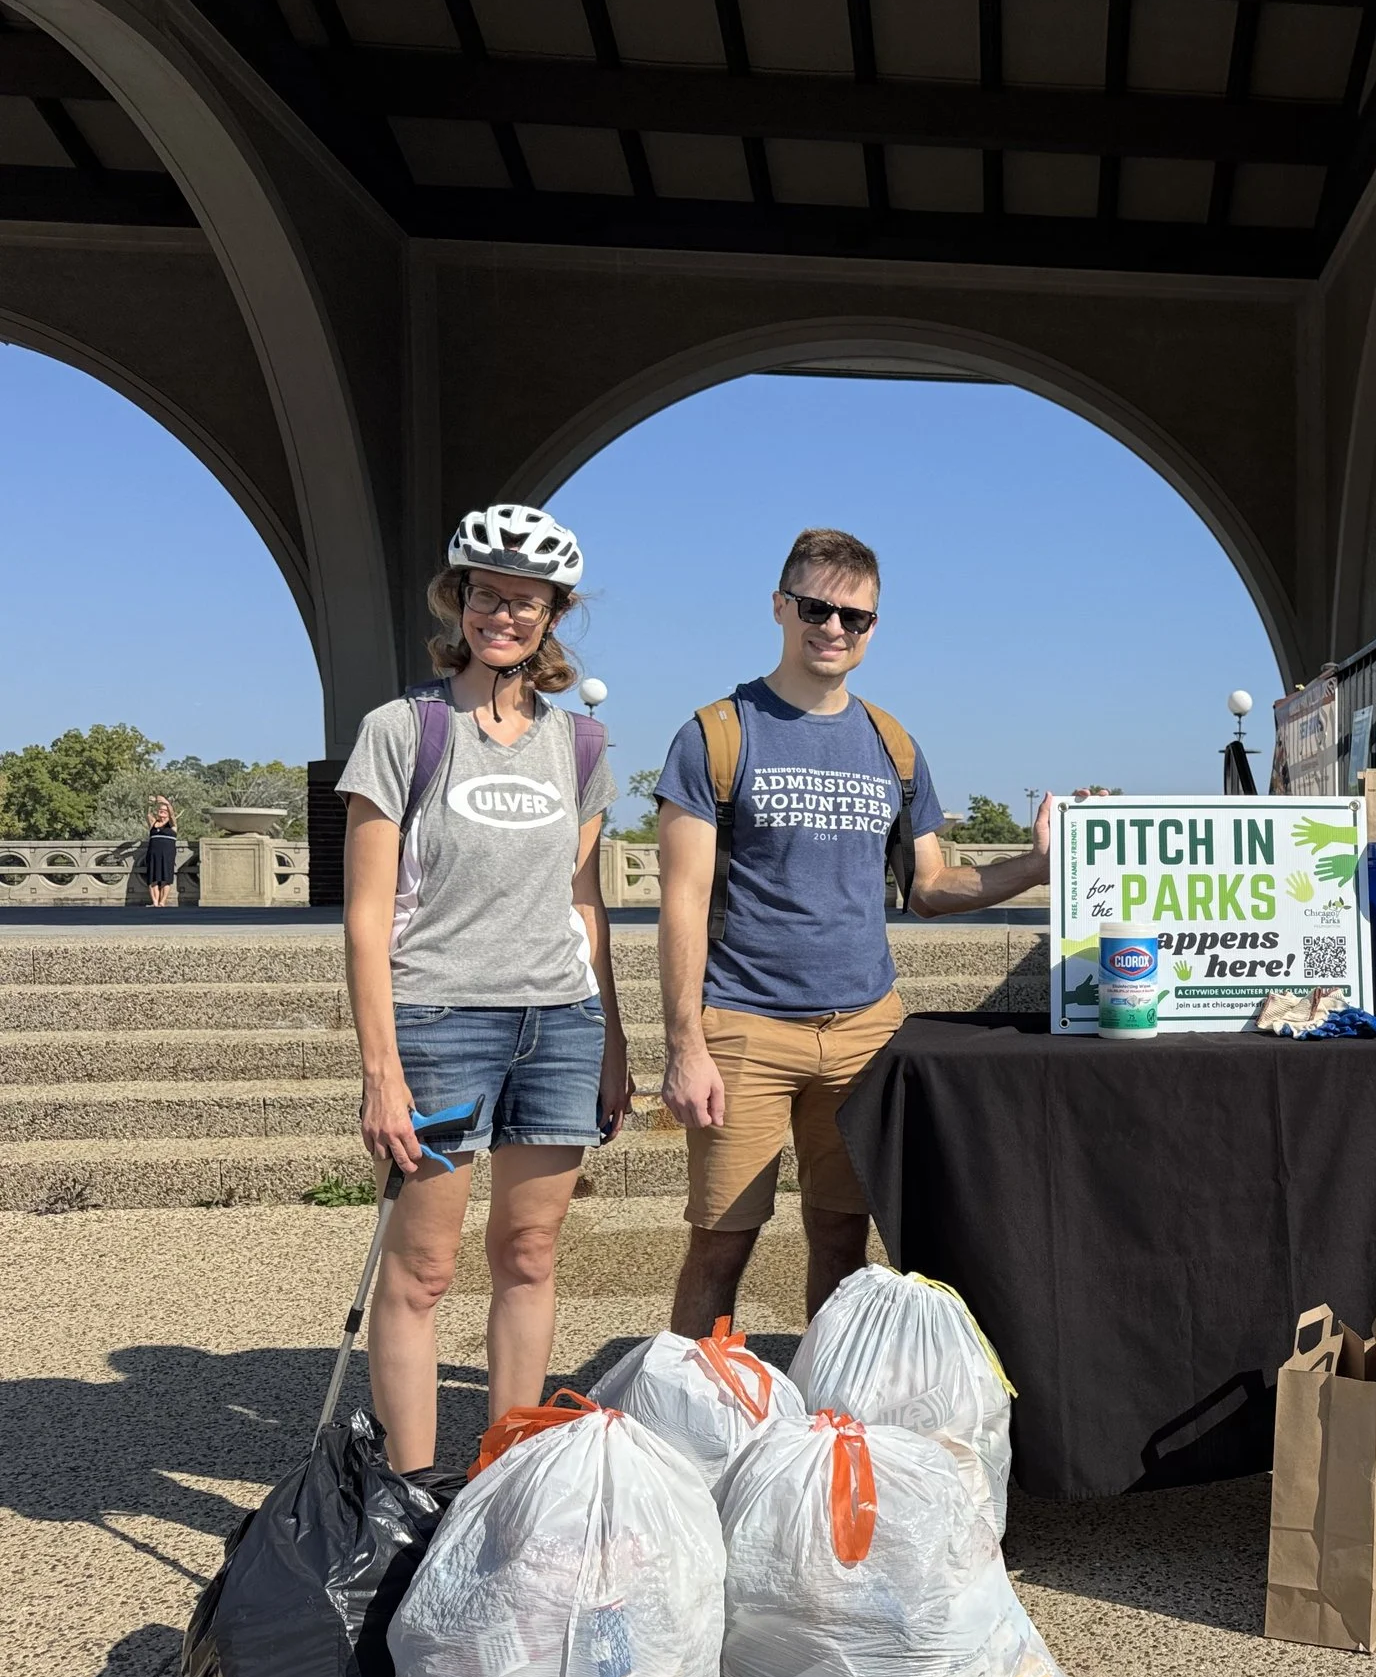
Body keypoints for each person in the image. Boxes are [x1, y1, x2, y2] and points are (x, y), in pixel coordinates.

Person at [655, 527, 1054, 1335]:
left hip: (866, 1028)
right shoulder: (718, 733)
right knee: (720, 1244)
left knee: (843, 1238)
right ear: (780, 606)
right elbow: (683, 902)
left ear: (874, 629)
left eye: (855, 617)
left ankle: (823, 1420)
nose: (833, 627)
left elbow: (933, 886)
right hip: (746, 1027)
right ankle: (684, 1427)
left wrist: (1039, 866)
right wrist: (684, 1044)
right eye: (816, 607)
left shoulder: (892, 744)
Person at [338, 503, 631, 1497]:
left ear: (554, 616)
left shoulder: (581, 747)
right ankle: (410, 1498)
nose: (505, 613)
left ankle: (511, 1480)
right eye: (488, 594)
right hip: (440, 1024)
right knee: (421, 1275)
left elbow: (586, 902)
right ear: (458, 601)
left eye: (528, 600)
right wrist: (380, 1072)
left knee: (531, 1252)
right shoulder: (403, 731)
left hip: (558, 1024)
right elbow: (366, 915)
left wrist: (614, 1044)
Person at [142, 796, 178, 909]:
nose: (162, 811)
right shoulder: (153, 823)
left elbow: (172, 815)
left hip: (167, 854)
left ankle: (162, 902)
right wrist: (149, 804)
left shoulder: (172, 825)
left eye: (164, 810)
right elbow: (146, 814)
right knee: (153, 878)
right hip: (153, 854)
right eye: (160, 809)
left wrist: (167, 803)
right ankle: (155, 902)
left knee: (166, 878)